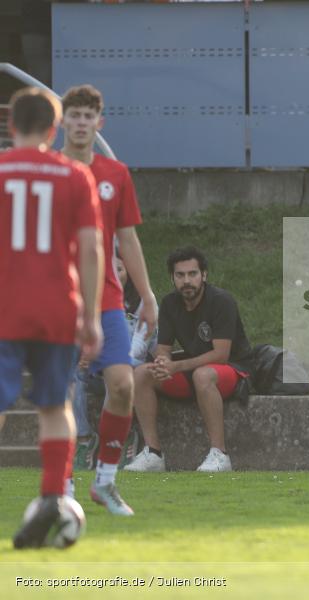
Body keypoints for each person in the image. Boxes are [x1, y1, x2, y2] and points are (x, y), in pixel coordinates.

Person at [0, 87, 103, 547]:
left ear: (10, 125)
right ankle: (50, 498)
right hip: (58, 307)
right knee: (54, 406)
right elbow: (91, 248)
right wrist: (93, 317)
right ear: (54, 129)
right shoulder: (75, 176)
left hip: (4, 306)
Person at [60, 84, 158, 516]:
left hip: (107, 299)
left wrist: (149, 296)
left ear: (99, 123)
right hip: (57, 297)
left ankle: (104, 480)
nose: (81, 123)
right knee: (59, 393)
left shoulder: (115, 174)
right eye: (74, 115)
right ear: (62, 120)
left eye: (88, 116)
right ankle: (62, 484)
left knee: (121, 384)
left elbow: (128, 239)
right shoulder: (49, 170)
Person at [127, 246, 253, 473]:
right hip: (192, 369)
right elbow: (163, 348)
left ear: (204, 275)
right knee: (141, 373)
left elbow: (221, 354)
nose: (187, 281)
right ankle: (153, 454)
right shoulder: (169, 304)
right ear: (172, 278)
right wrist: (163, 363)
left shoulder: (221, 301)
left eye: (192, 274)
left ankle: (220, 455)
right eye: (180, 275)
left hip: (232, 369)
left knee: (202, 375)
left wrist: (177, 365)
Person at [72, 257, 158, 471]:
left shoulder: (142, 303)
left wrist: (105, 360)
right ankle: (84, 440)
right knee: (70, 373)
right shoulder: (89, 302)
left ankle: (121, 436)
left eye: (118, 269)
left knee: (119, 372)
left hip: (129, 369)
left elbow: (140, 348)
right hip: (96, 371)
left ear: (128, 270)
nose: (113, 274)